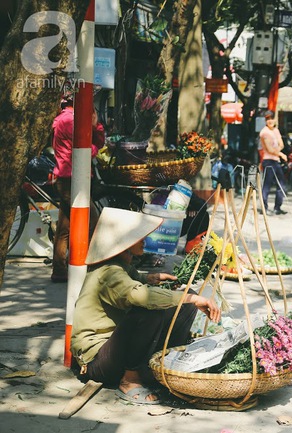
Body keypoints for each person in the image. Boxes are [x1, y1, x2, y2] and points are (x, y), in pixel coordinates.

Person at [71, 207, 220, 405]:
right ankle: (130, 380)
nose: (144, 240)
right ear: (123, 243)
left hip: (115, 352)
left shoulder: (122, 267)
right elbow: (139, 296)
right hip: (96, 362)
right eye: (138, 237)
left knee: (185, 302)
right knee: (149, 311)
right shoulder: (108, 272)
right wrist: (191, 299)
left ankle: (164, 364)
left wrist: (150, 278)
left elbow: (133, 281)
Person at [51, 95, 105, 282]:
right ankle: (91, 266)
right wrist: (94, 129)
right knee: (92, 221)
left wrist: (95, 124)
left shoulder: (66, 119)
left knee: (64, 227)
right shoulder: (69, 120)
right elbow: (85, 149)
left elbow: (97, 142)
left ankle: (59, 269)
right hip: (72, 179)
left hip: (71, 178)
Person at [259, 110, 288, 215]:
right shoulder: (264, 132)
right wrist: (280, 154)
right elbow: (270, 149)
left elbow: (281, 144)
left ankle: (277, 207)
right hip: (268, 160)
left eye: (272, 118)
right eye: (268, 119)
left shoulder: (276, 131)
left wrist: (277, 151)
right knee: (267, 185)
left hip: (276, 161)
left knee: (281, 185)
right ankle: (264, 207)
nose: (270, 121)